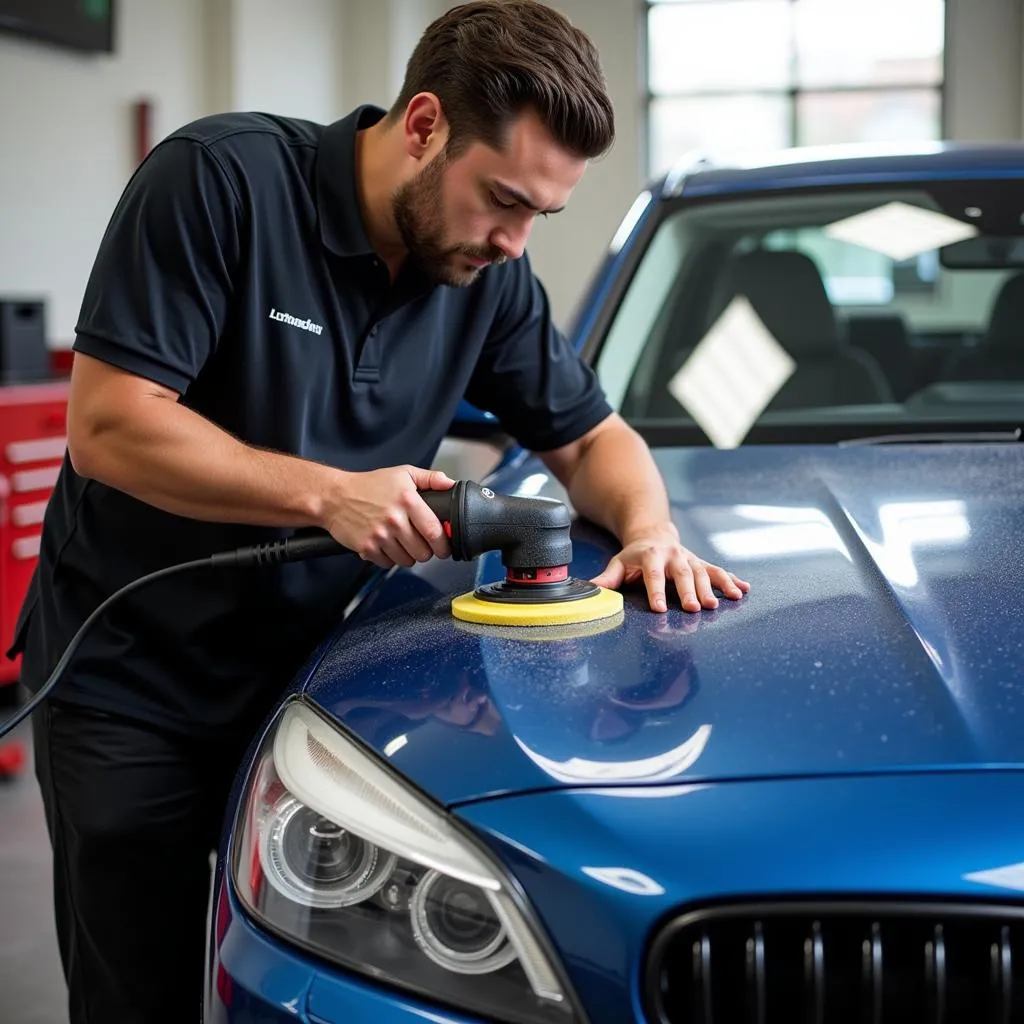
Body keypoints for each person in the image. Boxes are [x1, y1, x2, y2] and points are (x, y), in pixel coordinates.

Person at [10, 1, 750, 1021]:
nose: (513, 239)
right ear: (422, 126)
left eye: (540, 214)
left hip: (327, 689)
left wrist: (648, 531)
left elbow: (590, 440)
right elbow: (112, 427)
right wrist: (325, 492)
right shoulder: (218, 183)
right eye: (501, 199)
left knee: (323, 989)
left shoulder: (487, 272)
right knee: (134, 994)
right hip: (140, 686)